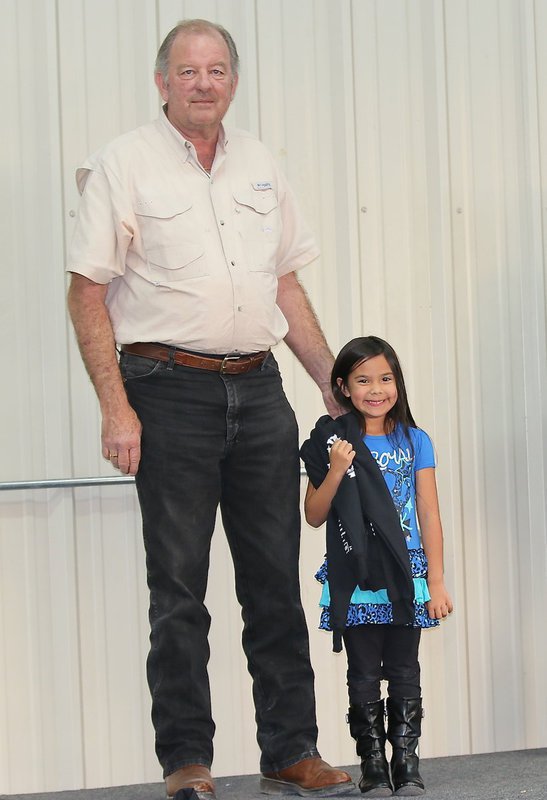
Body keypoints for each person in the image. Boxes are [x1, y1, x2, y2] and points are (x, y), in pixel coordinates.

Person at [66, 17, 354, 800]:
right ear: (162, 82)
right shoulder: (123, 165)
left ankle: (290, 748)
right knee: (179, 592)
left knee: (274, 582)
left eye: (217, 69)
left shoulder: (258, 162)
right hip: (167, 392)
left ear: (233, 80)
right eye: (187, 71)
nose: (203, 83)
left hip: (261, 391)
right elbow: (86, 293)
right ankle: (185, 759)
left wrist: (329, 379)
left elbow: (284, 285)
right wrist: (116, 408)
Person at [300, 336, 453, 797]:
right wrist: (334, 468)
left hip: (407, 575)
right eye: (362, 380)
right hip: (357, 574)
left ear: (397, 384)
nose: (375, 389)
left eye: (385, 378)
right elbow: (313, 514)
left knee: (405, 668)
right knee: (363, 670)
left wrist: (438, 579)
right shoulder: (334, 439)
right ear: (343, 387)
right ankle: (372, 766)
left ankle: (406, 763)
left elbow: (428, 511)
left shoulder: (416, 440)